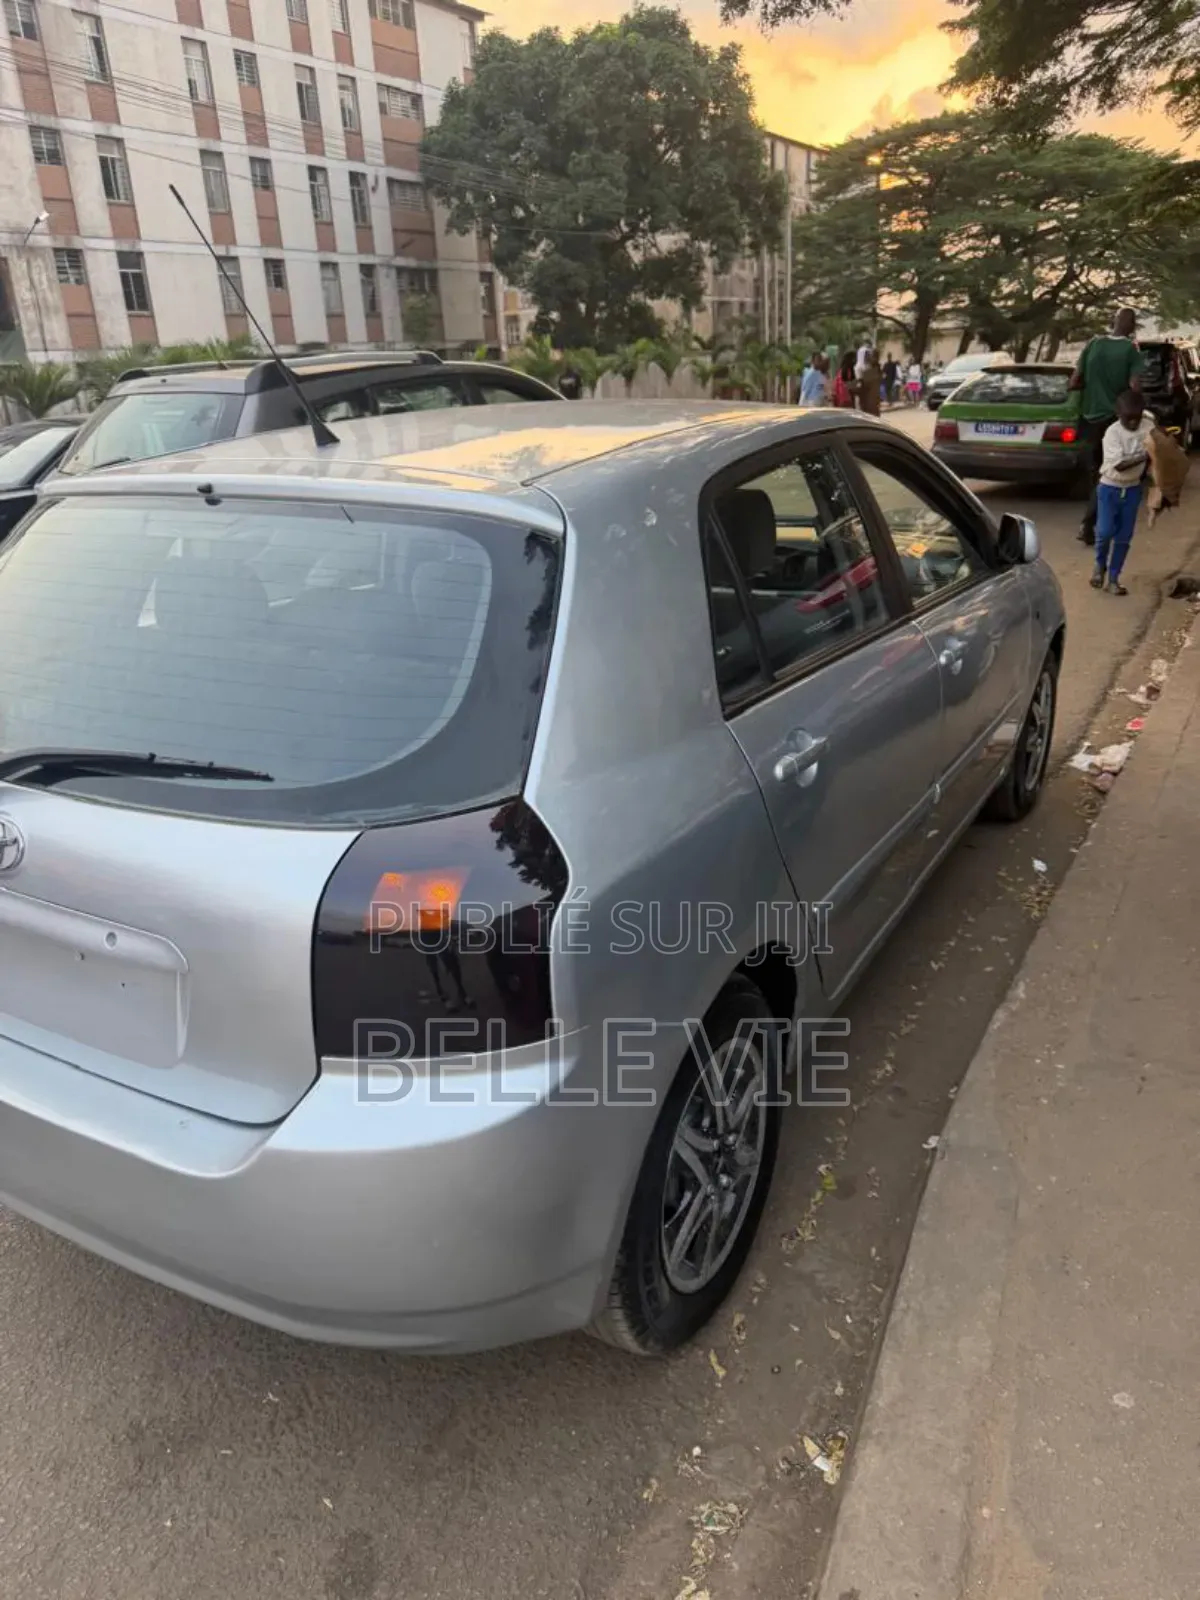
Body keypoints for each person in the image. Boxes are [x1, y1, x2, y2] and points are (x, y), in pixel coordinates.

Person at [1072, 307, 1144, 546]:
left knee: (1096, 473)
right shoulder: (1131, 349)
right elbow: (1135, 386)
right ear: (1131, 326)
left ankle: (1094, 523)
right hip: (1113, 420)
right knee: (1109, 475)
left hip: (1088, 419)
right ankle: (1089, 524)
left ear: (1113, 322)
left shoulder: (1093, 344)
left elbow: (1075, 381)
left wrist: (1091, 386)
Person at [1091, 390, 1155, 596]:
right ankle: (1099, 564)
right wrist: (1147, 455)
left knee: (1124, 537)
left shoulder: (1148, 427)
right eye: (1129, 419)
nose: (1134, 423)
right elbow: (1119, 465)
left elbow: (1160, 444)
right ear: (1119, 415)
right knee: (1104, 532)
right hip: (1109, 487)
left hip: (1133, 488)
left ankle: (1113, 579)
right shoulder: (1113, 433)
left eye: (1137, 418)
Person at [858, 349, 883, 416]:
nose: (868, 358)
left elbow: (860, 387)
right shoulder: (878, 371)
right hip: (874, 404)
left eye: (870, 356)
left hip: (869, 405)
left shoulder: (871, 373)